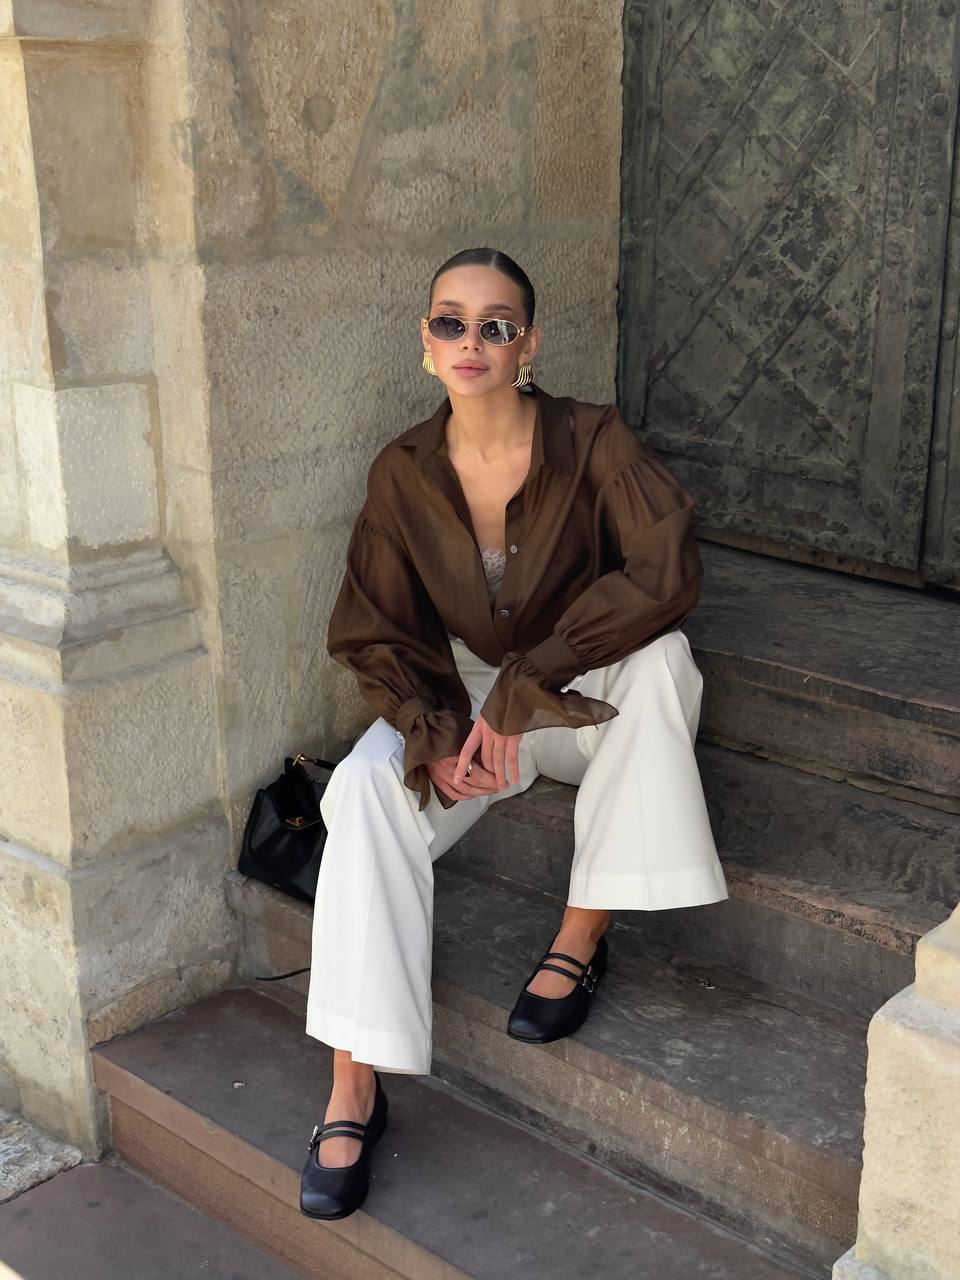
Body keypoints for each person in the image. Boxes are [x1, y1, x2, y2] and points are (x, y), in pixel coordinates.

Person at [299, 247, 728, 1220]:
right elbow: (372, 626)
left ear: (528, 343)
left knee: (665, 661)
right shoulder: (401, 471)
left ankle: (583, 934)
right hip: (473, 706)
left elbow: (665, 570)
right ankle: (353, 1080)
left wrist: (531, 679)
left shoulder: (594, 440)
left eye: (496, 324)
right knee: (364, 788)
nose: (471, 340)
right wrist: (430, 723)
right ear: (425, 341)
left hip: (571, 692)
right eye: (450, 320)